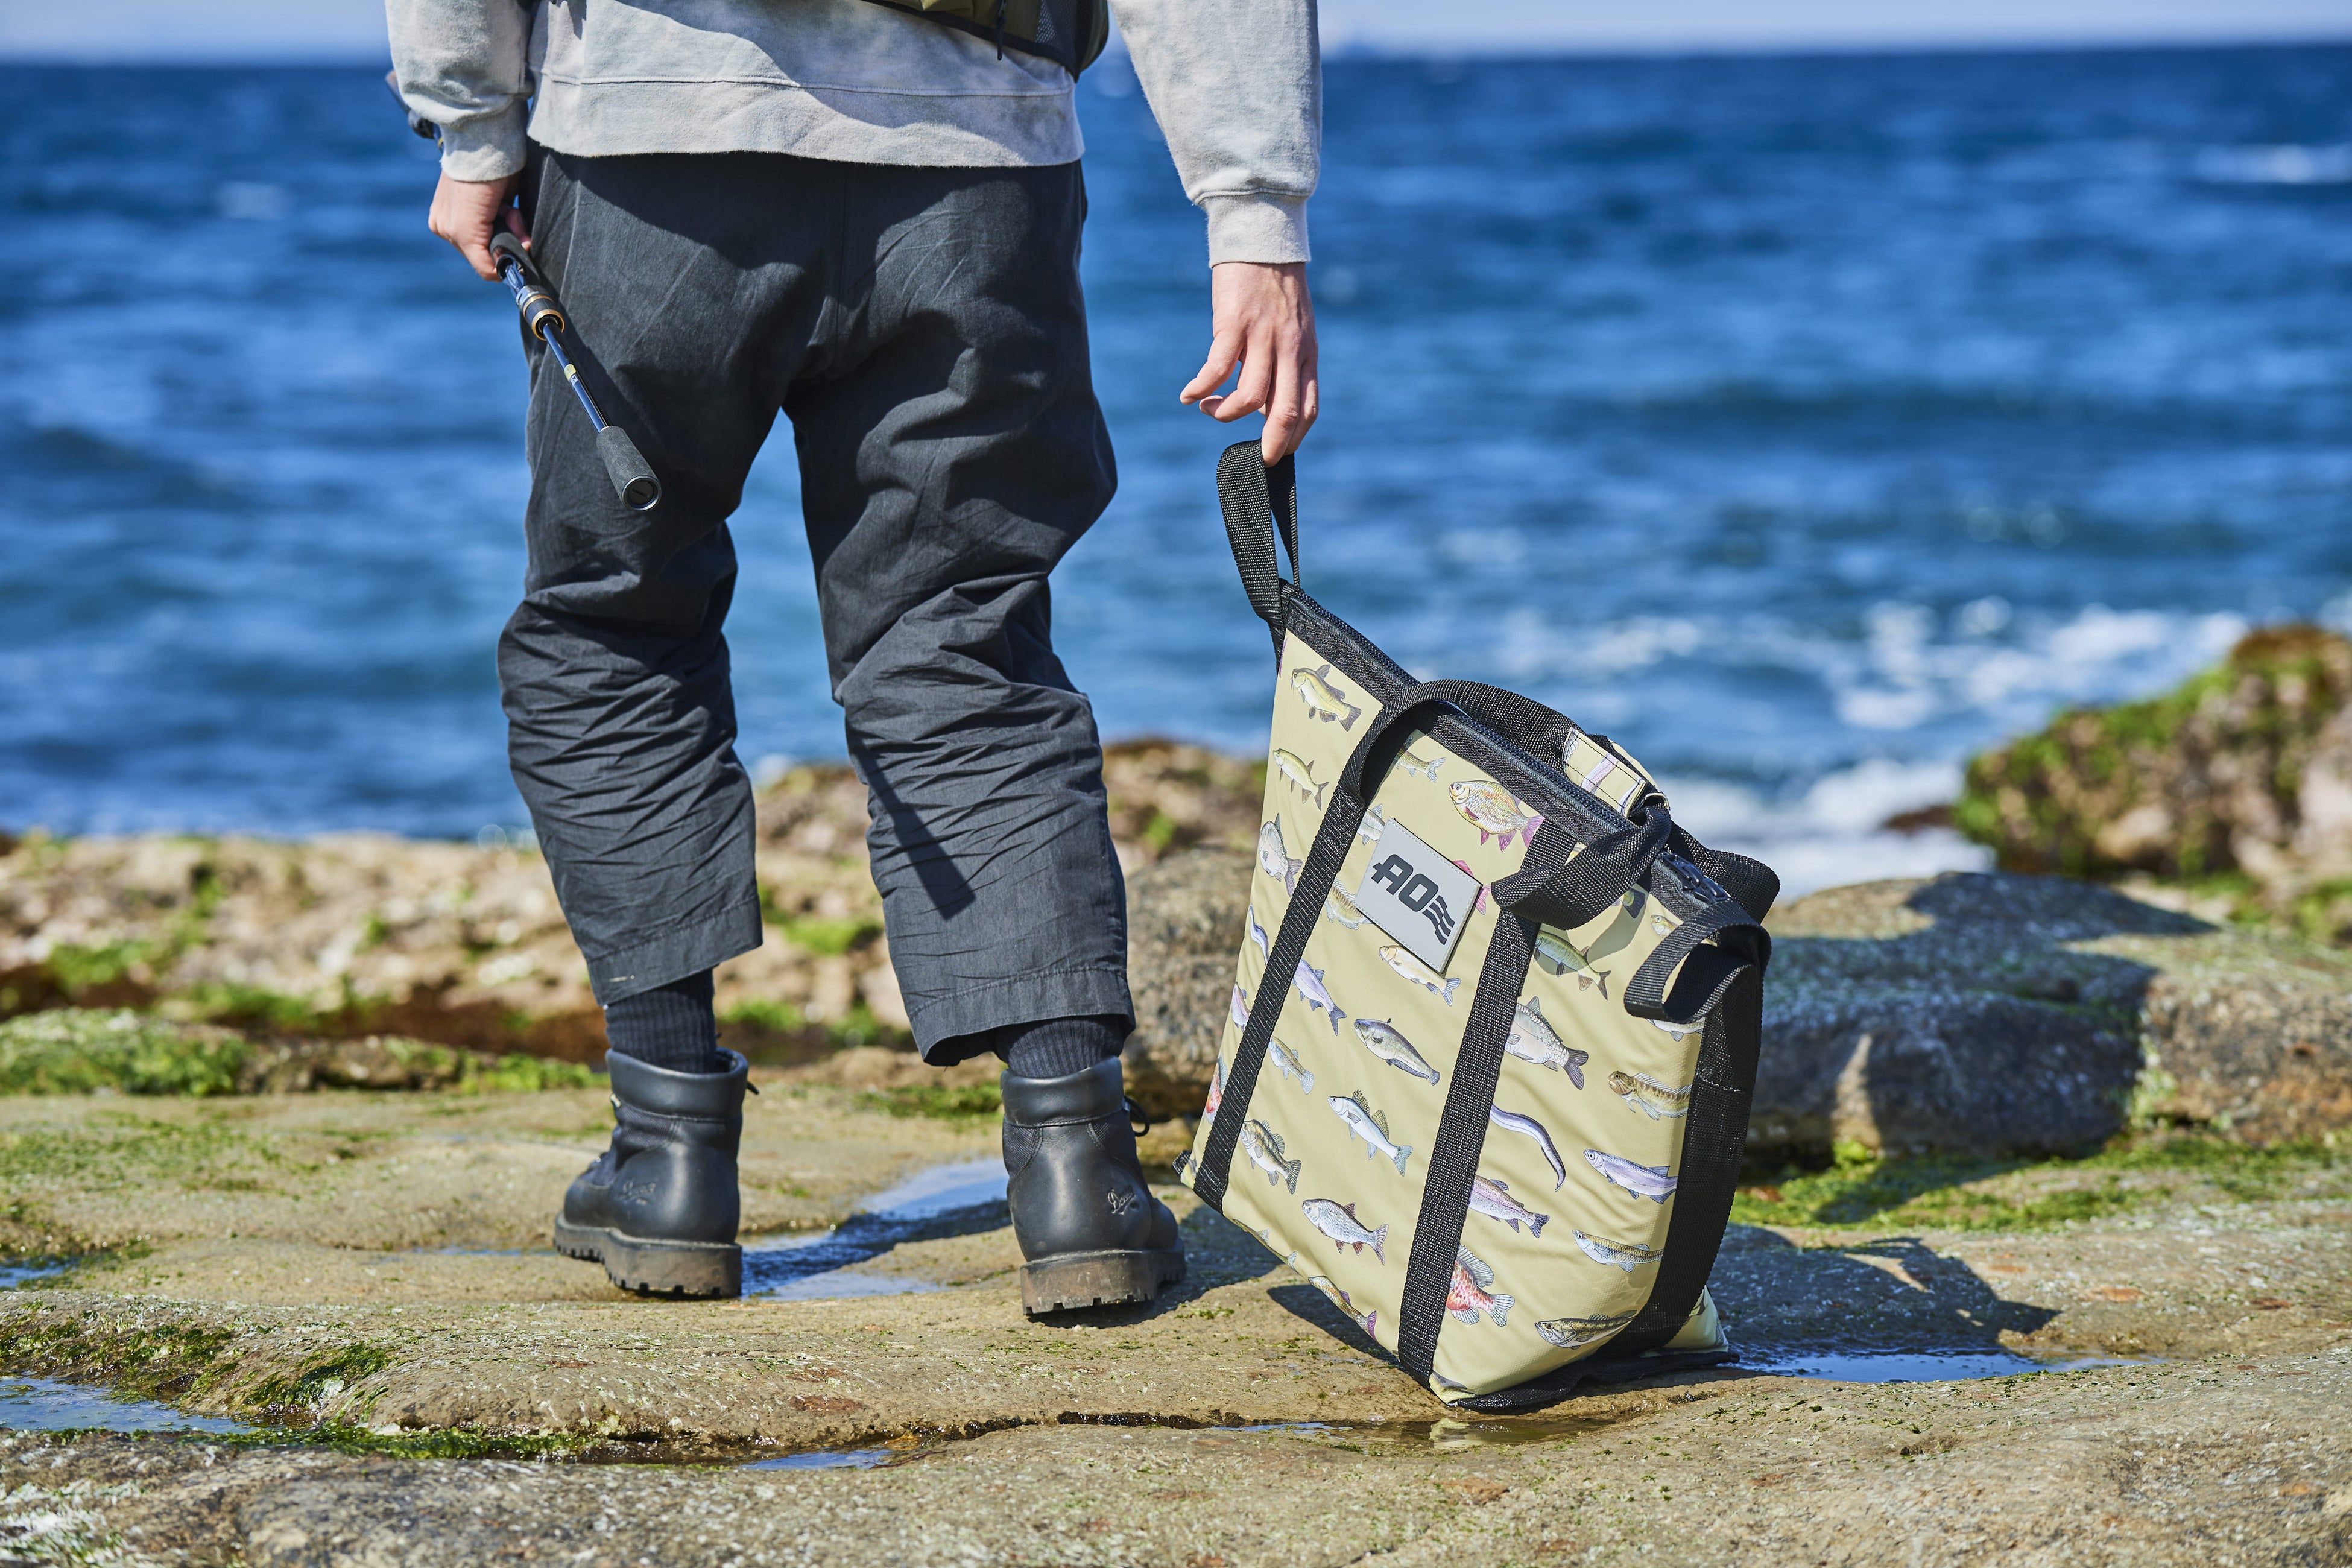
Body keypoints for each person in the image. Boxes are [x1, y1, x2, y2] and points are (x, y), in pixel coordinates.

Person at [387, 0, 1320, 1312]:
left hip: (656, 144)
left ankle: (668, 1158)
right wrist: (1254, 216)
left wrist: (472, 124)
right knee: (961, 644)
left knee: (614, 627)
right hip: (977, 160)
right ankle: (1079, 1172)